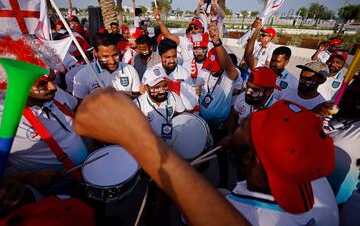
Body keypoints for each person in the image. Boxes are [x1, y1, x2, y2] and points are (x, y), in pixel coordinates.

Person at [73, 88, 250, 226]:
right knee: (155, 197)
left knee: (158, 200)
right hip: (159, 156)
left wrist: (134, 140)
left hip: (160, 155)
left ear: (251, 157)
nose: (235, 130)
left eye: (242, 128)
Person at [224, 100, 338, 225]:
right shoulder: (312, 176)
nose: (240, 123)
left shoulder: (237, 214)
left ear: (248, 157)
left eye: (242, 126)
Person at [313, 76, 360, 206]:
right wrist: (311, 115)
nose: (349, 100)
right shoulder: (329, 113)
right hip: (304, 191)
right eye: (347, 94)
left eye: (358, 98)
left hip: (335, 204)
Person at [197, 24, 243, 141]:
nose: (211, 70)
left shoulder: (230, 74)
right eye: (210, 66)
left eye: (215, 67)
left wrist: (217, 42)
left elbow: (229, 67)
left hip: (221, 124)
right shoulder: (204, 71)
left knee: (220, 152)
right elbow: (198, 91)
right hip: (202, 121)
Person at [73, 33, 141, 101]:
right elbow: (79, 106)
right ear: (95, 53)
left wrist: (124, 97)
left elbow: (138, 100)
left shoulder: (130, 70)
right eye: (105, 56)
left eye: (115, 55)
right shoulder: (83, 75)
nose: (112, 61)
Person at [134, 65, 185, 139]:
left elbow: (182, 117)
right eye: (156, 87)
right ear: (146, 87)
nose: (162, 91)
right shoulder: (137, 105)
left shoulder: (173, 97)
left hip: (172, 142)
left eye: (165, 85)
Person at [228, 67, 278, 134]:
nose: (248, 92)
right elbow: (234, 114)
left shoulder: (276, 112)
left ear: (269, 92)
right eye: (248, 86)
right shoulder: (242, 96)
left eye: (255, 89)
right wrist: (230, 135)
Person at [153, 38, 198, 111]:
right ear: (160, 57)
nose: (172, 61)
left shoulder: (184, 73)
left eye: (174, 56)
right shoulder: (152, 72)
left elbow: (191, 99)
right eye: (168, 57)